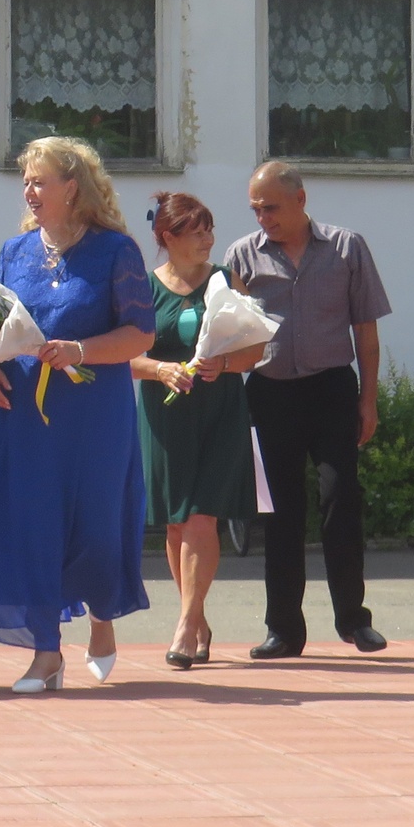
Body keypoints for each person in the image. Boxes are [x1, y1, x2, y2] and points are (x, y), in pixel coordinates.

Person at [0, 139, 156, 692]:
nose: (29, 190)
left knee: (95, 525)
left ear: (73, 188)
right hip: (25, 413)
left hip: (95, 415)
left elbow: (142, 332)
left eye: (39, 180)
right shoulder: (13, 252)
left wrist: (82, 350)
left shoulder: (117, 251)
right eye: (26, 180)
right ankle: (47, 654)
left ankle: (101, 614)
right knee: (33, 525)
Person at [223, 161, 392, 658]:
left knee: (341, 500)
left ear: (300, 199)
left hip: (333, 389)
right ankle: (284, 630)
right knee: (280, 513)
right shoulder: (242, 256)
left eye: (271, 207)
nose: (263, 219)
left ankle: (353, 621)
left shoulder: (346, 248)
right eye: (256, 209)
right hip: (271, 392)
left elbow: (366, 330)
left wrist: (369, 398)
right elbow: (231, 332)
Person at [131, 192, 264, 670]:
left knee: (203, 518)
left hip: (219, 409)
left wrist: (225, 363)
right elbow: (123, 357)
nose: (209, 238)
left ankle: (185, 625)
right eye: (197, 231)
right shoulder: (143, 288)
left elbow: (258, 349)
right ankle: (199, 618)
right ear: (169, 238)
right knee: (174, 521)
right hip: (164, 415)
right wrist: (161, 370)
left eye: (210, 229)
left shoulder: (227, 281)